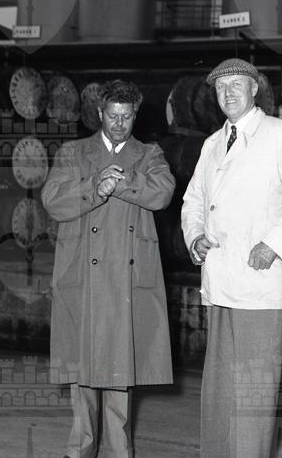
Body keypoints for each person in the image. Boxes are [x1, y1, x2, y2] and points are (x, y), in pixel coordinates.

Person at [181, 58, 282, 458]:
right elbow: (193, 201)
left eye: (236, 85)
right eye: (220, 87)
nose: (228, 93)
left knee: (254, 390)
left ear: (255, 89)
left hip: (260, 283)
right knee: (220, 389)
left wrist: (273, 243)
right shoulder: (211, 143)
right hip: (221, 279)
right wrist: (195, 237)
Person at [41, 79, 175, 458]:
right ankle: (79, 448)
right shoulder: (73, 153)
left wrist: (121, 182)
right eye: (112, 116)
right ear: (100, 113)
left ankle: (119, 450)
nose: (119, 124)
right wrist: (93, 187)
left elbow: (163, 192)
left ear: (135, 115)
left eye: (126, 117)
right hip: (82, 276)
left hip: (125, 279)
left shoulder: (149, 154)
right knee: (82, 369)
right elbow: (52, 200)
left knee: (120, 370)